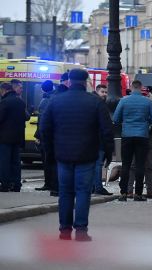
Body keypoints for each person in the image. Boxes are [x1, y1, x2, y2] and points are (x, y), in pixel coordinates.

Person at [40, 69, 114, 241]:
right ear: (86, 81)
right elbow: (106, 130)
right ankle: (81, 229)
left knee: (65, 192)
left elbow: (45, 129)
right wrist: (108, 152)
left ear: (69, 81)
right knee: (82, 192)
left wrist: (50, 151)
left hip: (63, 154)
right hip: (87, 154)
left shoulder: (55, 101)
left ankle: (64, 229)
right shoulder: (95, 102)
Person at [113, 80, 152, 202]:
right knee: (140, 164)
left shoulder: (123, 100)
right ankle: (138, 194)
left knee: (126, 165)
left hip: (127, 135)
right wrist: (145, 120)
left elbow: (116, 119)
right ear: (141, 88)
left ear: (131, 87)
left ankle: (123, 193)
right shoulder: (147, 101)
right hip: (142, 136)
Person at [0, 82, 29, 192]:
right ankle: (16, 184)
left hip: (5, 138)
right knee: (16, 162)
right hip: (17, 137)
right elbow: (26, 117)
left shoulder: (5, 102)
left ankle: (5, 184)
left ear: (4, 90)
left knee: (4, 162)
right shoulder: (20, 102)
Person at [34, 80, 59, 196]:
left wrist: (38, 135)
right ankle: (52, 184)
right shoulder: (55, 97)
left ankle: (49, 184)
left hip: (46, 136)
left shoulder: (45, 100)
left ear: (42, 89)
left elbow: (42, 121)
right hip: (56, 135)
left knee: (47, 161)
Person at [91, 84, 113, 196]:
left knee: (93, 164)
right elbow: (105, 125)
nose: (104, 94)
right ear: (97, 91)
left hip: (91, 139)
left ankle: (93, 187)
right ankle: (98, 187)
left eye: (106, 92)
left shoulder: (92, 102)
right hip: (99, 139)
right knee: (98, 164)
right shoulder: (100, 104)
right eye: (102, 92)